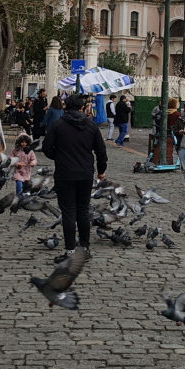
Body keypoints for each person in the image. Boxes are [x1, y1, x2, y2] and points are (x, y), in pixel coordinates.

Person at [42, 93, 107, 261]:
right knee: (83, 211)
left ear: (66, 107)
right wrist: (101, 170)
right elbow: (101, 151)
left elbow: (47, 148)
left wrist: (60, 156)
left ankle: (70, 251)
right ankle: (84, 249)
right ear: (81, 107)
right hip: (85, 173)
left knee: (69, 212)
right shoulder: (91, 126)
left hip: (65, 173)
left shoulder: (58, 124)